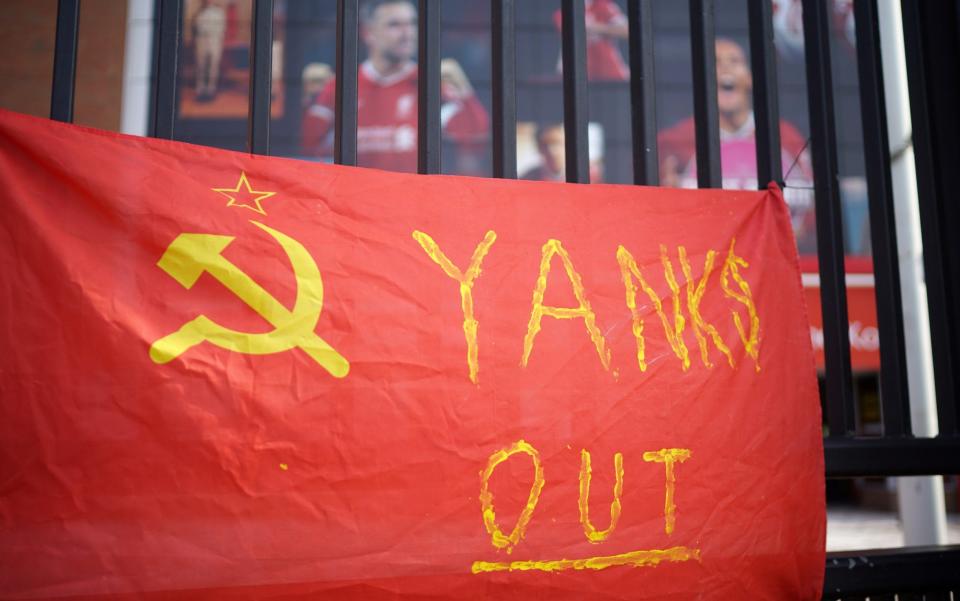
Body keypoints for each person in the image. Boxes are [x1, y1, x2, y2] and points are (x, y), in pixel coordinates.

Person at [657, 38, 815, 251]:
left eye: (734, 60)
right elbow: (657, 215)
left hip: (771, 257)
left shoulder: (784, 137)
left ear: (749, 78)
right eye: (715, 62)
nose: (725, 68)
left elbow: (812, 210)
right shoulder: (675, 140)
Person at [301, 0, 489, 172]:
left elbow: (475, 139)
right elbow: (308, 148)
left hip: (413, 202)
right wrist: (307, 102)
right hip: (354, 202)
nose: (408, 33)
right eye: (395, 25)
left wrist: (464, 92)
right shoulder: (340, 86)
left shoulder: (431, 84)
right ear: (369, 33)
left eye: (412, 23)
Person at [553, 0, 630, 81]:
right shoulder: (565, 11)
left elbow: (628, 31)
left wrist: (597, 28)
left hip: (610, 71)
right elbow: (567, 29)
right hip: (578, 71)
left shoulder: (604, 6)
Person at [193, 0, 228, 103]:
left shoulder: (219, 13)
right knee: (201, 65)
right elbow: (197, 27)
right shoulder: (200, 12)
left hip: (214, 39)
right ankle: (200, 90)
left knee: (213, 65)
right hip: (202, 40)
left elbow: (222, 28)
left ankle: (210, 90)